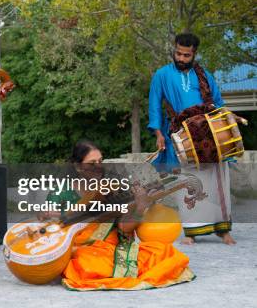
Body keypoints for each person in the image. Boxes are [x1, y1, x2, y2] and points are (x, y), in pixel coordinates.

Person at [42, 140, 194, 291]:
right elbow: (48, 228)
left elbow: (124, 229)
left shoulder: (113, 188)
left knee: (164, 252)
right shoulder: (61, 192)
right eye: (92, 163)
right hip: (82, 251)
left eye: (100, 161)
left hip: (113, 248)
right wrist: (53, 216)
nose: (98, 166)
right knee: (86, 263)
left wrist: (140, 208)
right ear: (78, 166)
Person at [147, 33, 235, 245]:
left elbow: (218, 102)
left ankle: (223, 230)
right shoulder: (162, 75)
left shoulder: (205, 75)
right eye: (178, 53)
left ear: (194, 54)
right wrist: (158, 133)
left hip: (208, 133)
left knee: (217, 180)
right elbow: (154, 105)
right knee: (187, 181)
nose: (181, 58)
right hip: (180, 135)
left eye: (186, 55)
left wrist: (227, 120)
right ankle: (192, 233)